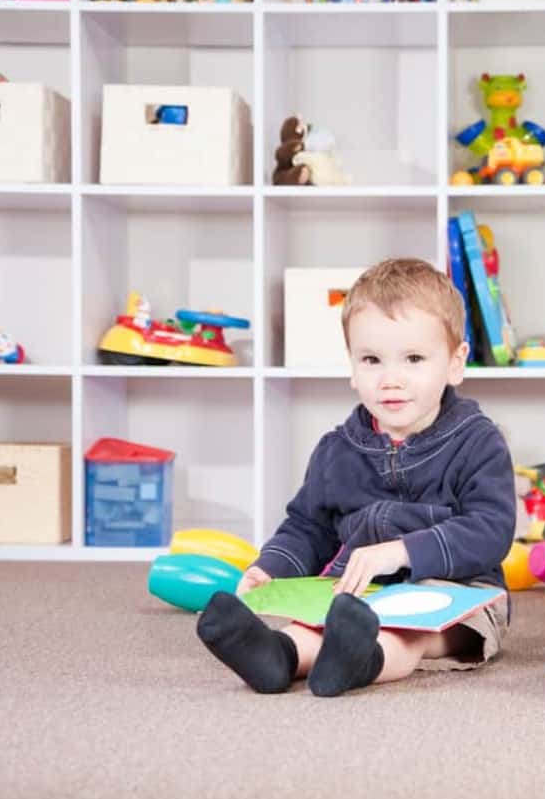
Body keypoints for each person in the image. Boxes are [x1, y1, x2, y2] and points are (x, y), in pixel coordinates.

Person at [197, 258, 516, 697]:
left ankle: (362, 660)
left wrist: (401, 552)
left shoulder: (478, 441)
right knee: (314, 625)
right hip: (358, 591)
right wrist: (271, 567)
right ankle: (278, 655)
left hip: (459, 590)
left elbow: (490, 530)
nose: (390, 379)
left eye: (414, 359)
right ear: (351, 366)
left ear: (455, 363)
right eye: (371, 360)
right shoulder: (336, 450)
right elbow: (307, 527)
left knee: (407, 632)